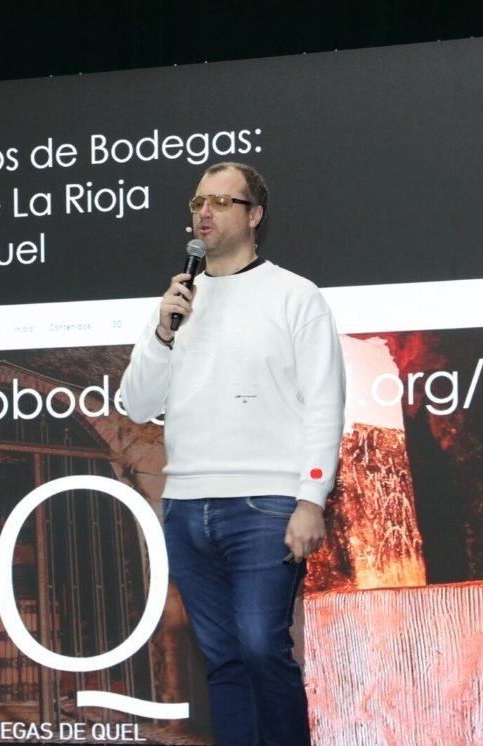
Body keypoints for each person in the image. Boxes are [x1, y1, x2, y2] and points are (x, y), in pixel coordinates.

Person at [120, 162, 346, 745]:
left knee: (261, 645)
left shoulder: (295, 296)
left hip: (266, 504)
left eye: (222, 202)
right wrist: (165, 333)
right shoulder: (176, 301)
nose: (205, 212)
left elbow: (324, 403)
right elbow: (138, 404)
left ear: (254, 216)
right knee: (223, 658)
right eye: (199, 201)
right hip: (188, 507)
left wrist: (310, 499)